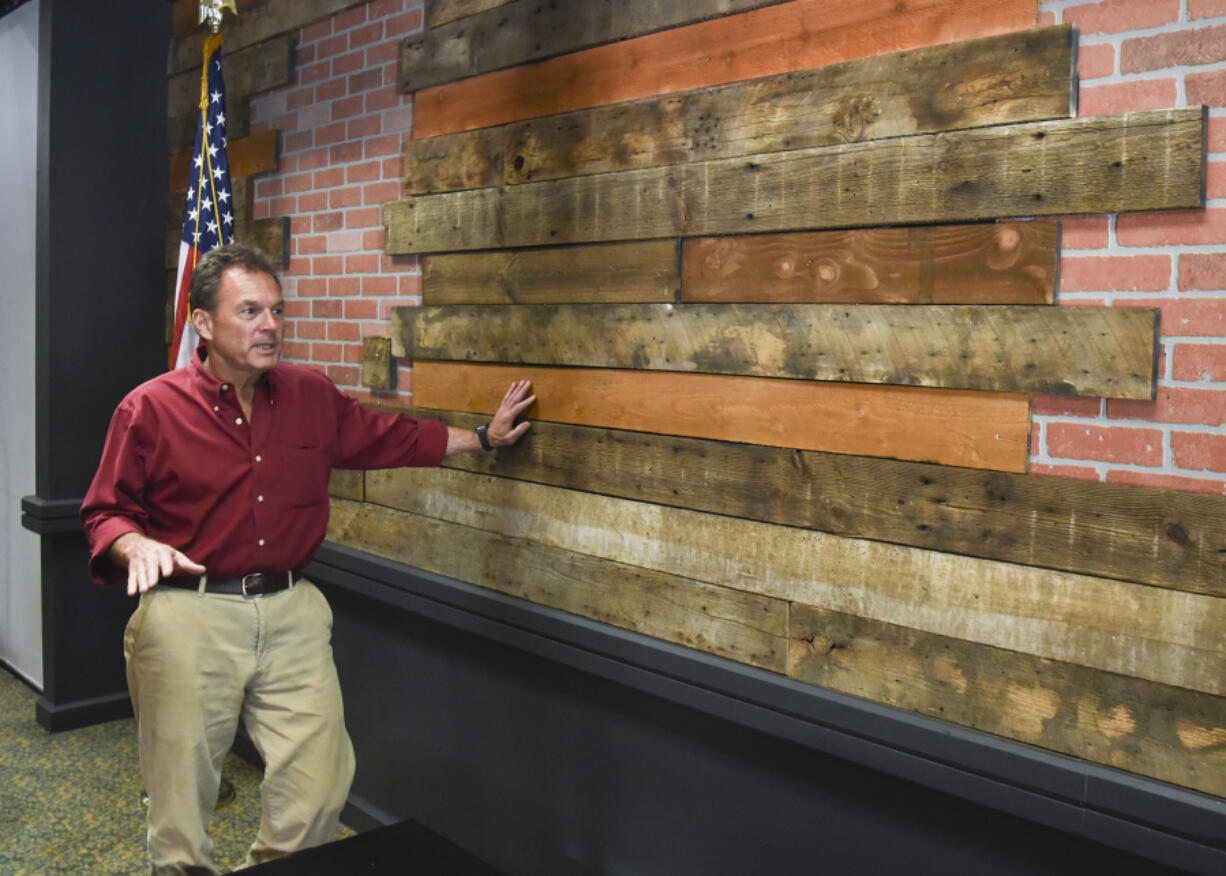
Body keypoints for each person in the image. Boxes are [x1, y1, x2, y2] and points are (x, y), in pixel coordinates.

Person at [80, 243, 534, 875]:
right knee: (181, 810)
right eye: (250, 311)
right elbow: (105, 512)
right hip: (190, 615)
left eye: (277, 310)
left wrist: (482, 437)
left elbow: (387, 437)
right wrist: (137, 543)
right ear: (204, 324)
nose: (270, 325)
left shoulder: (309, 394)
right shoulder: (150, 408)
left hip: (292, 612)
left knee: (320, 787)